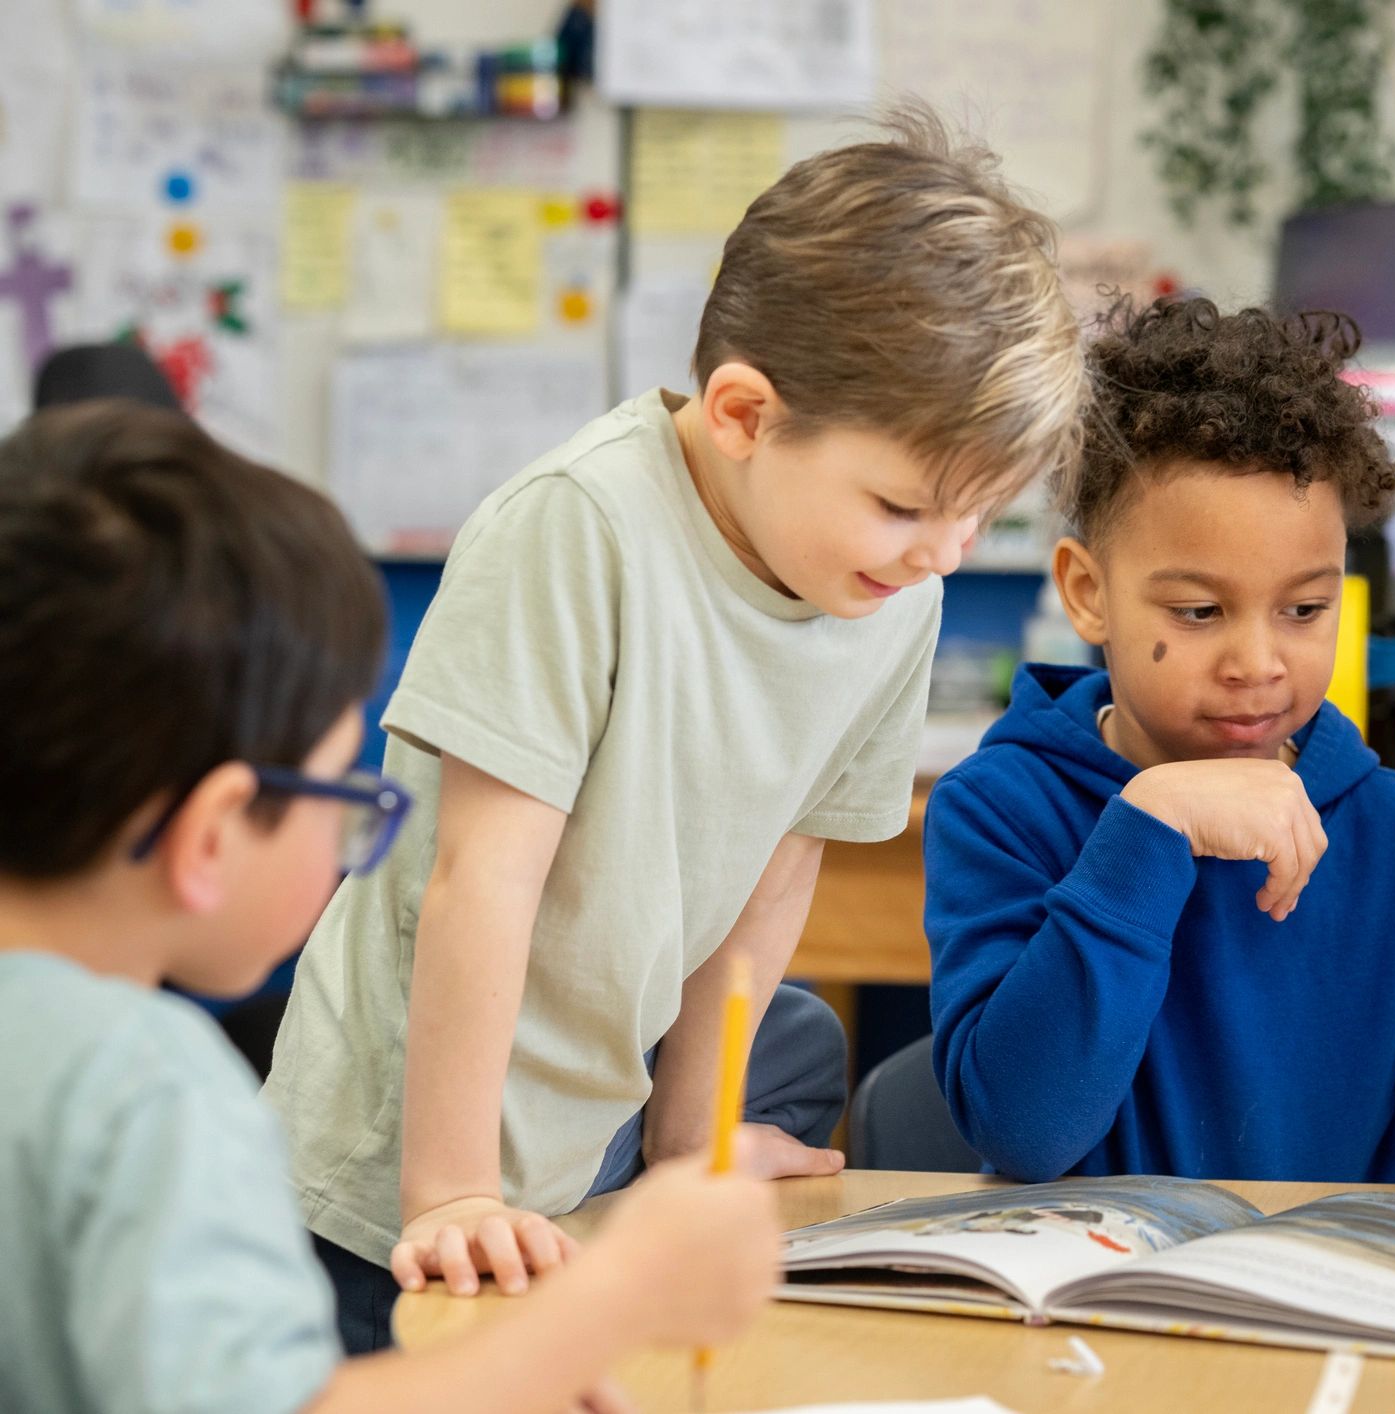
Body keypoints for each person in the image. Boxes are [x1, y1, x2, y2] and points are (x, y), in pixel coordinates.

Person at [263, 105, 1090, 1352]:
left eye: (977, 519)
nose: (944, 553)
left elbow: (772, 877)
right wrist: (450, 1190)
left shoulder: (885, 590)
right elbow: (480, 880)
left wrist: (690, 1141)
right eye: (905, 505)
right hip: (393, 1170)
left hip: (588, 1152)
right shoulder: (577, 528)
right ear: (744, 414)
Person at [0, 402, 778, 1414]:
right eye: (339, 791)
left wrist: (503, 1371)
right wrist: (613, 1301)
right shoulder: (145, 1091)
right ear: (213, 832)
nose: (344, 839)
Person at [924, 297, 1395, 1184]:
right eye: (1198, 612)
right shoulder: (1000, 811)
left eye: (1304, 609)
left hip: (1337, 1311)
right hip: (1091, 1307)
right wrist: (1145, 829)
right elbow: (1023, 1128)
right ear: (1088, 593)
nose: (1257, 662)